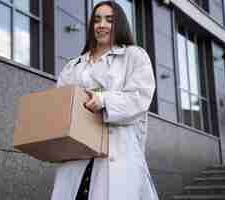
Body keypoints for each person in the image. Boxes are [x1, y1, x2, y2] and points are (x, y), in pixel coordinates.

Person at [51, 1, 159, 200]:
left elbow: (139, 98)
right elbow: (61, 104)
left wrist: (104, 100)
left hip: (117, 156)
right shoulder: (73, 66)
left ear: (120, 24)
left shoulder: (134, 56)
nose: (102, 25)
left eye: (109, 20)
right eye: (97, 20)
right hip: (77, 157)